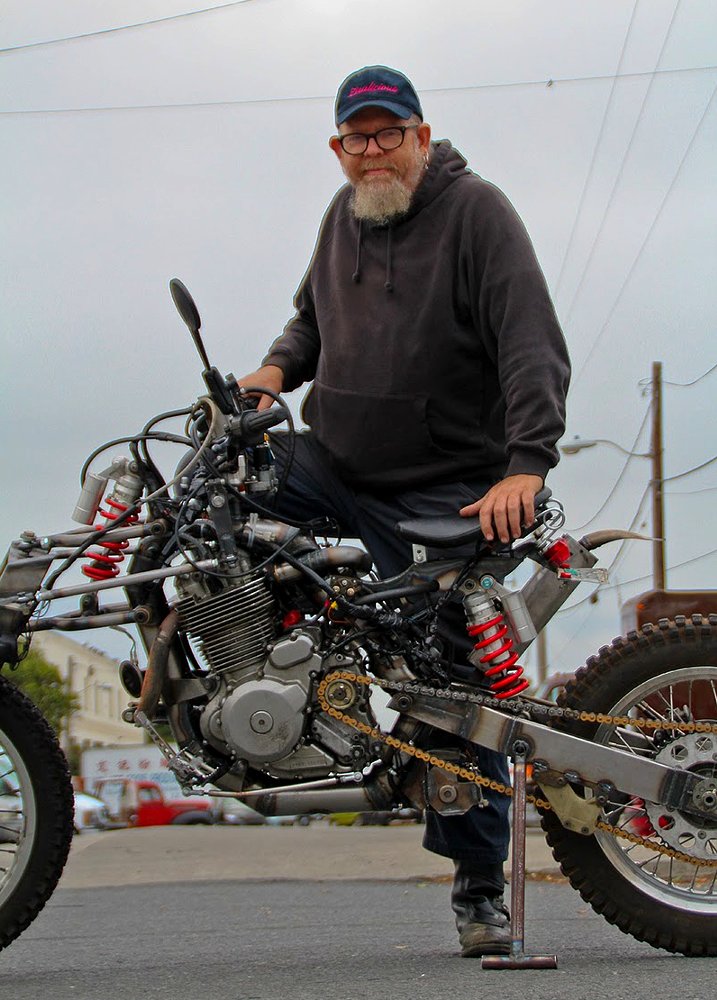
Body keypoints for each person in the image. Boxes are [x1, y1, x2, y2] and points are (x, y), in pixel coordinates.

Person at [239, 65, 570, 957]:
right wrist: (273, 373)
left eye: (390, 133)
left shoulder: (476, 213)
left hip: (441, 484)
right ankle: (256, 681)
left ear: (422, 137)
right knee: (221, 496)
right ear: (338, 149)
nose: (373, 151)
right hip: (338, 464)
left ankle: (476, 889)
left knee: (451, 685)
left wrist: (525, 465)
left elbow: (531, 341)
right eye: (358, 137)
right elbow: (310, 321)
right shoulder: (342, 215)